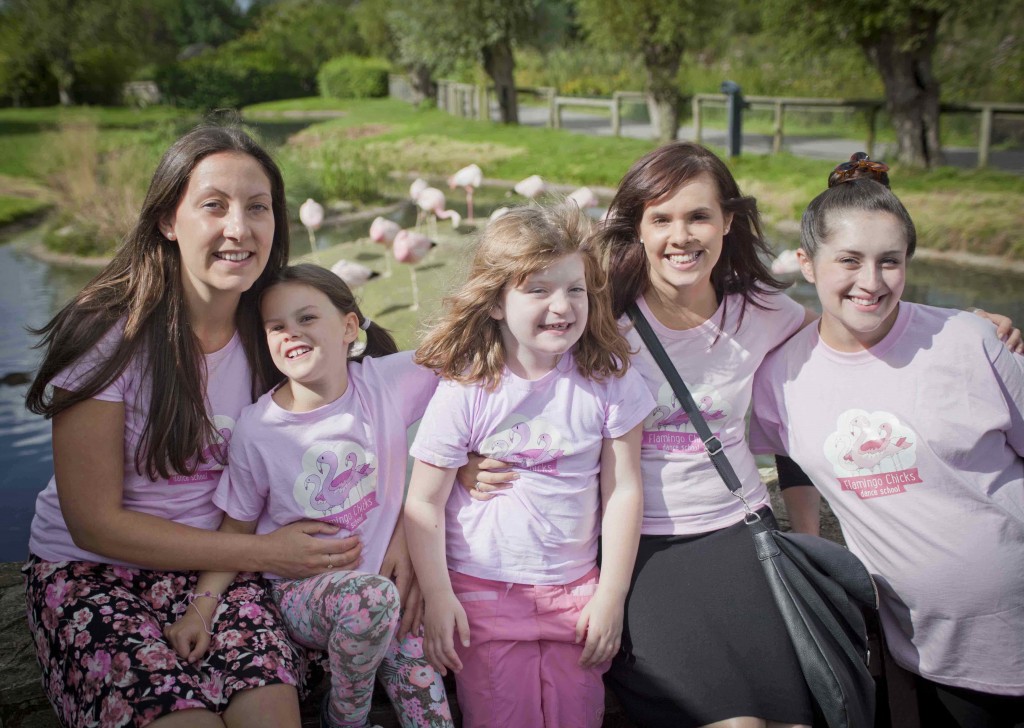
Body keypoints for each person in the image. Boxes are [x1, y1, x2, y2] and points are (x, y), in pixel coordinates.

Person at [462, 144, 1023, 728]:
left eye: (699, 216)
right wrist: (466, 460)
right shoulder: (598, 319)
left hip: (742, 539)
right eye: (662, 219)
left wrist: (961, 328)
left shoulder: (766, 313)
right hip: (638, 552)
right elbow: (503, 386)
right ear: (639, 230)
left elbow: (855, 335)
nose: (682, 235)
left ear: (727, 222)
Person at [23, 126, 361, 728]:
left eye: (258, 208)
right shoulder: (110, 337)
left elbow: (382, 386)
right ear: (168, 221)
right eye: (214, 205)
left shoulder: (277, 332)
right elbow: (93, 522)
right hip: (91, 573)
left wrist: (465, 457)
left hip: (217, 576)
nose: (240, 227)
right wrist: (263, 553)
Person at [749, 160, 1024, 728]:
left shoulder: (970, 339)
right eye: (848, 260)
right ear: (807, 263)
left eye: (889, 261)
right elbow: (784, 450)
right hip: (930, 657)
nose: (870, 282)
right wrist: (807, 540)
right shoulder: (780, 377)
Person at [165, 263, 453, 728]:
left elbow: (472, 367)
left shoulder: (385, 383)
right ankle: (344, 717)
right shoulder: (258, 431)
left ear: (349, 327)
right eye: (276, 326)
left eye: (306, 318)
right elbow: (235, 529)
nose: (291, 333)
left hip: (385, 596)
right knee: (372, 599)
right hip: (304, 596)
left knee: (433, 715)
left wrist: (474, 458)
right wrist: (201, 609)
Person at [403, 204, 653, 728]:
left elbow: (624, 492)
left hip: (577, 597)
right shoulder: (467, 388)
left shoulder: (608, 381)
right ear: (496, 302)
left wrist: (611, 595)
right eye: (537, 289)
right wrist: (439, 595)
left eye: (575, 288)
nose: (561, 305)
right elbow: (423, 500)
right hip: (481, 597)